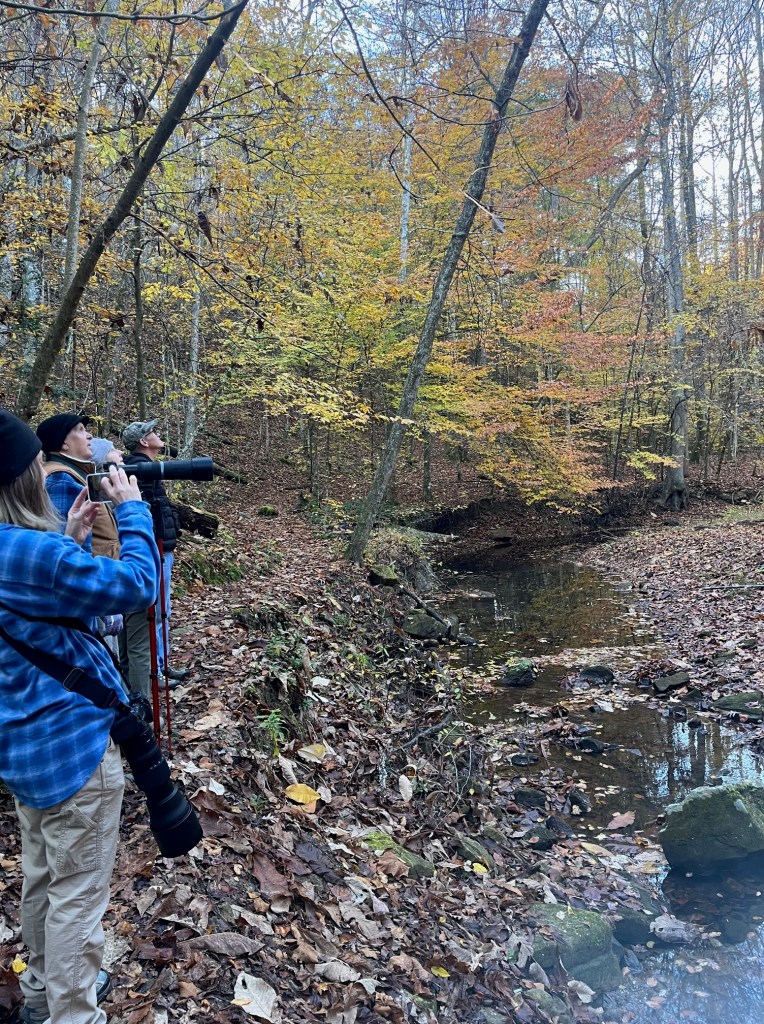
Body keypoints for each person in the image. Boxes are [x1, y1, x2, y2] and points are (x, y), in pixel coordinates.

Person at [0, 409, 159, 1024]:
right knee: (78, 896)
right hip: (72, 747)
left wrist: (67, 541)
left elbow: (30, 610)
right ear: (21, 478)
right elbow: (138, 584)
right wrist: (134, 507)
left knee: (41, 873)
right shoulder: (31, 552)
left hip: (20, 747)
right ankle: (74, 1013)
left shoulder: (25, 553)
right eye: (36, 464)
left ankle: (40, 992)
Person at [121, 419, 188, 688]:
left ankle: (162, 665)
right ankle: (155, 672)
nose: (158, 435)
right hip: (153, 549)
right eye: (152, 432)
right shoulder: (139, 470)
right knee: (157, 610)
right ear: (143, 441)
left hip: (162, 547)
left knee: (163, 611)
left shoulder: (148, 469)